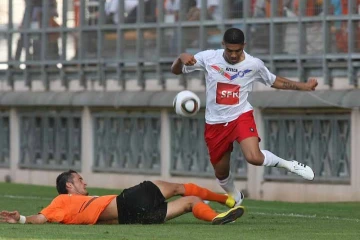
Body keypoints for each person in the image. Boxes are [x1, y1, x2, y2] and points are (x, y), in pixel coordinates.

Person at [170, 28, 318, 206]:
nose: (233, 55)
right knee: (221, 173)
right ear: (223, 45)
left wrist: (305, 86)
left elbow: (274, 80)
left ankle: (290, 165)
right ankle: (236, 196)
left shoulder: (253, 64)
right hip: (215, 123)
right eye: (229, 50)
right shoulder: (209, 57)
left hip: (240, 116)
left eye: (237, 50)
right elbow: (176, 71)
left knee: (254, 157)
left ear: (244, 46)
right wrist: (181, 58)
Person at [0, 170, 244, 225]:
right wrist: (20, 219)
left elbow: (43, 220)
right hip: (127, 202)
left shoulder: (69, 208)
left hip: (131, 218)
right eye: (79, 179)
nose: (84, 182)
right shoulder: (61, 201)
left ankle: (217, 217)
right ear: (68, 185)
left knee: (191, 203)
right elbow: (42, 218)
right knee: (180, 187)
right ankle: (227, 200)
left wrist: (20, 219)